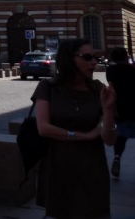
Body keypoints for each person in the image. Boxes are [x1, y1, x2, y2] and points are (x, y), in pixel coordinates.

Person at [32, 38, 117, 218]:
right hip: (58, 166)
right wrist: (83, 136)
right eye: (87, 57)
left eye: (95, 57)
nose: (94, 62)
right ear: (69, 59)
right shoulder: (48, 87)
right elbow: (44, 128)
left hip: (92, 168)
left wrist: (108, 109)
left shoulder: (98, 90)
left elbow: (109, 140)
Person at [106, 47, 135, 178]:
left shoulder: (110, 70)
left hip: (119, 108)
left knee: (121, 136)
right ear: (126, 57)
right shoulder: (132, 69)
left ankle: (117, 157)